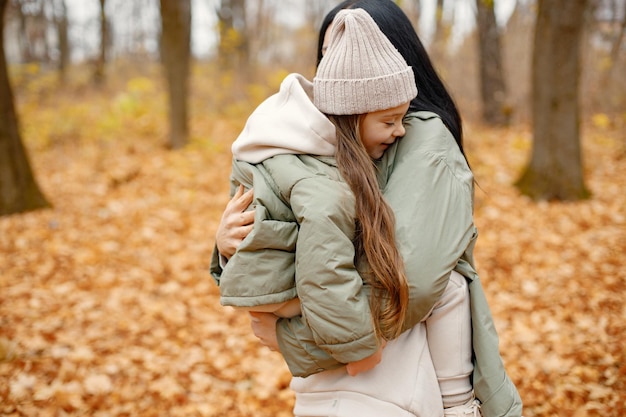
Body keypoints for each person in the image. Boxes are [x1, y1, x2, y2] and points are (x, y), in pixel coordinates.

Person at [211, 1, 524, 416]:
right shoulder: (330, 146)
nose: (333, 67)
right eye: (326, 53)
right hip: (342, 383)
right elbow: (302, 230)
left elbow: (416, 280)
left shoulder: (420, 138)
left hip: (394, 380)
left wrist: (297, 339)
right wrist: (230, 241)